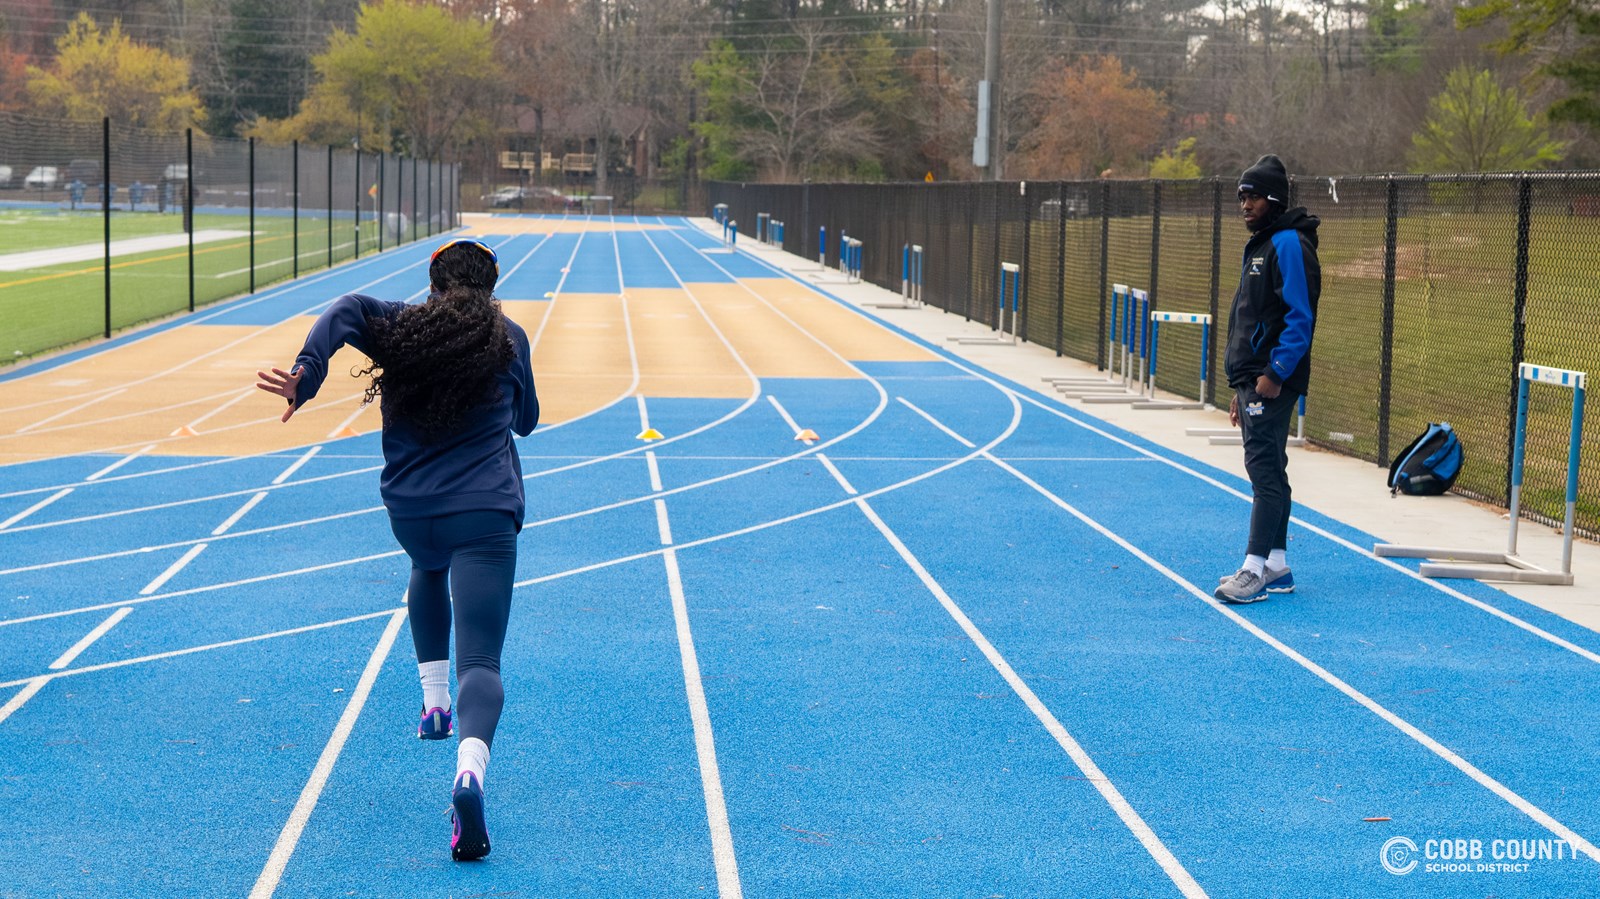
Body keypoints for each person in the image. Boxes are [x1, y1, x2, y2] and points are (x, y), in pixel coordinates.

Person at [256, 238, 538, 860]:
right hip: (484, 514)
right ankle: (469, 771)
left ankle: (433, 703)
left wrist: (308, 372)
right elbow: (527, 423)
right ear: (491, 286)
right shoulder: (509, 338)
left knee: (426, 565)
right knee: (484, 664)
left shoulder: (402, 327)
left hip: (410, 512)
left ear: (431, 282)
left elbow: (348, 308)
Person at [1214, 155, 1320, 604]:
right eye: (1241, 196)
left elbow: (1300, 317)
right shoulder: (1261, 244)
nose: (1244, 204)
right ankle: (1276, 563)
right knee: (1272, 469)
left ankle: (1253, 568)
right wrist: (1241, 388)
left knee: (1263, 474)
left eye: (1253, 196)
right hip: (1254, 382)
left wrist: (1274, 374)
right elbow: (1253, 318)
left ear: (1273, 199)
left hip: (1271, 380)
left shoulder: (1289, 244)